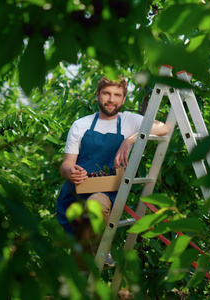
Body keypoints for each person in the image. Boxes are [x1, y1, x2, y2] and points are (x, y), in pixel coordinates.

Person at [56, 75, 169, 260]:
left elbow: (162, 127)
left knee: (95, 207)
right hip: (75, 192)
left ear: (123, 99)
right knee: (81, 244)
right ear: (97, 95)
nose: (111, 99)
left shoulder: (129, 121)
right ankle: (93, 262)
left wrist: (130, 139)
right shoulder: (81, 125)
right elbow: (66, 165)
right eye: (106, 94)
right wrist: (71, 172)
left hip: (106, 191)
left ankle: (96, 256)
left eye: (117, 95)